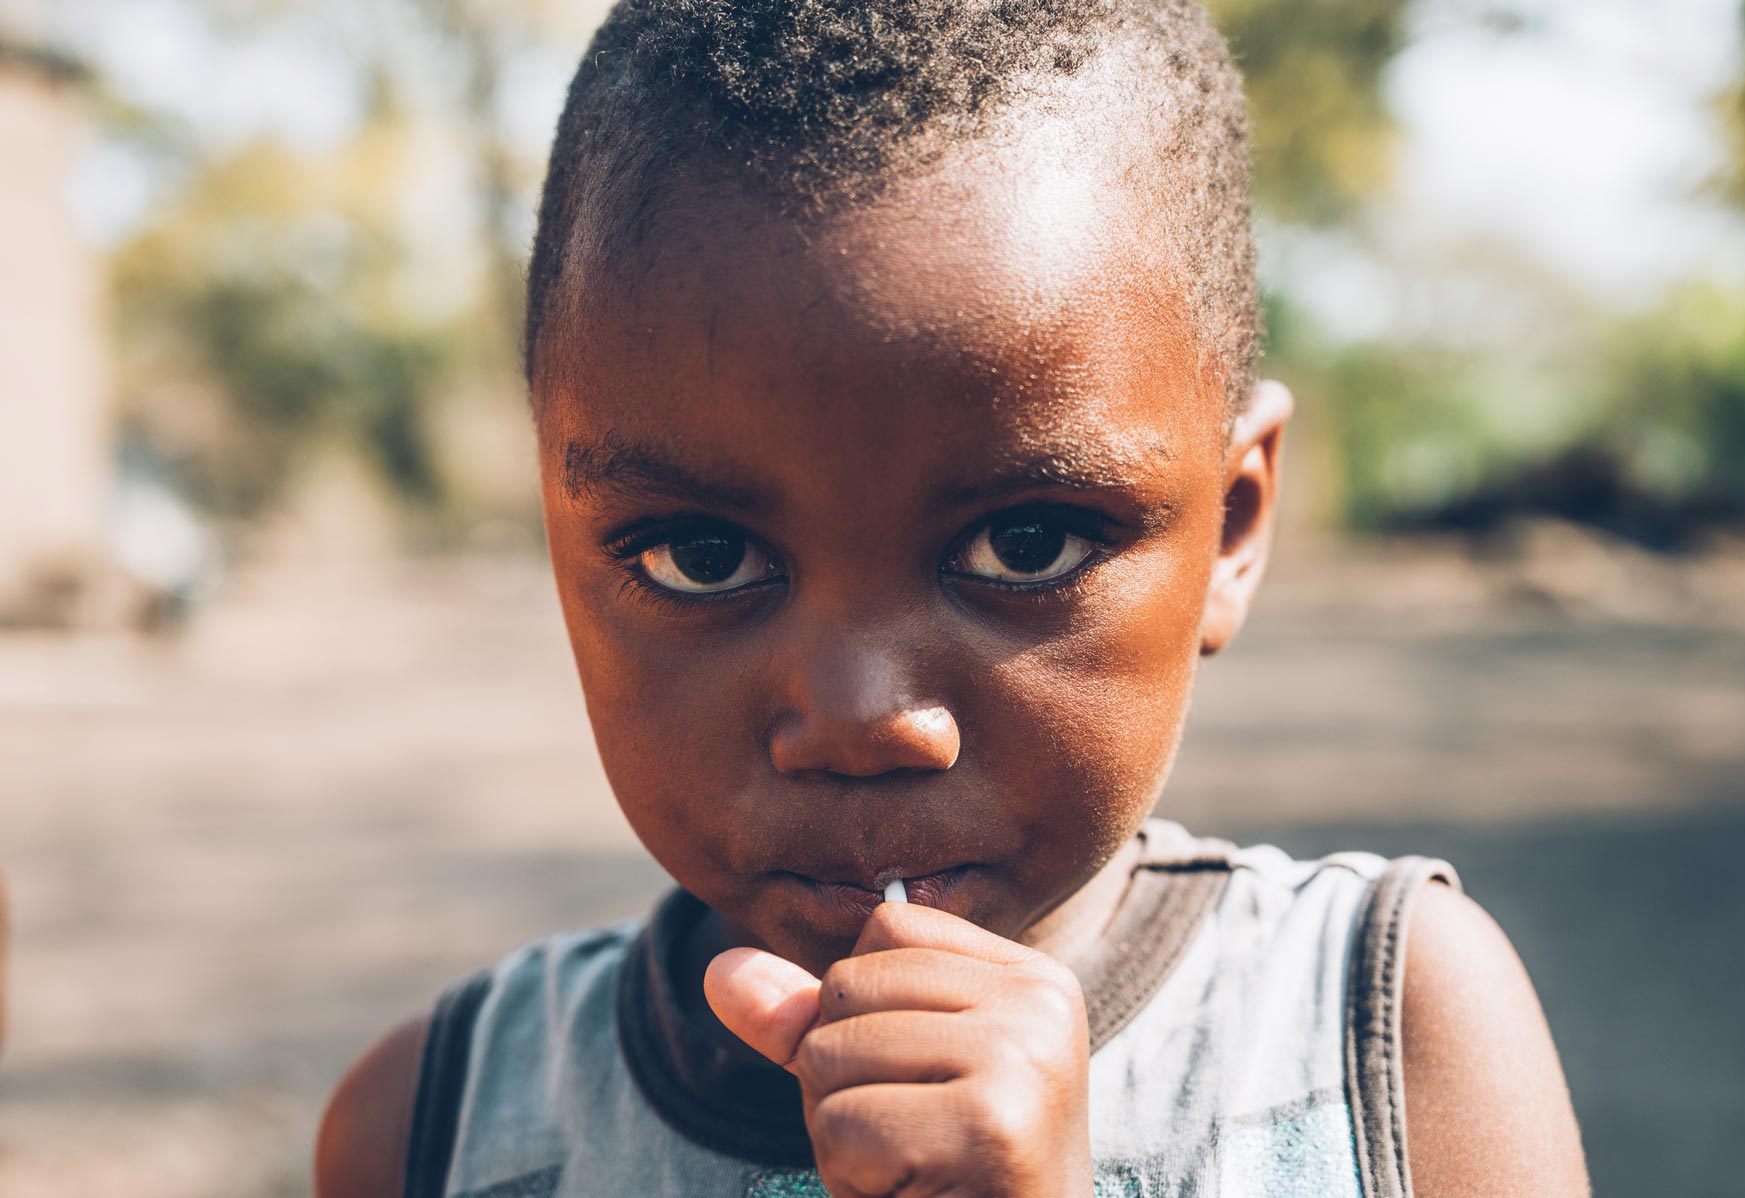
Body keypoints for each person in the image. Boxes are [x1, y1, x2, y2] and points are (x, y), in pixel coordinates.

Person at [316, 2, 1590, 1196]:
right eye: (698, 555)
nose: (863, 716)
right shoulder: (440, 1127)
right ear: (560, 539)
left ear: (1234, 527)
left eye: (1026, 543)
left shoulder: (1388, 1033)